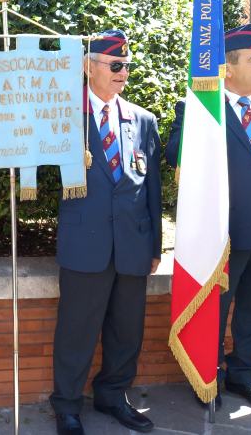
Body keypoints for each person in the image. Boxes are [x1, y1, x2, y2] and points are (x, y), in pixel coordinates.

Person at [166, 23, 251, 413]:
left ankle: (244, 376)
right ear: (229, 67)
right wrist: (199, 124)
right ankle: (208, 380)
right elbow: (174, 156)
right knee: (214, 313)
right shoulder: (203, 109)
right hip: (222, 236)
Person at [50, 30, 161, 435]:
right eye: (115, 65)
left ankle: (114, 395)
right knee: (76, 331)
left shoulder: (142, 120)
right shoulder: (63, 116)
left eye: (126, 66)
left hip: (132, 245)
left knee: (126, 331)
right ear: (88, 67)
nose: (123, 73)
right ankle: (66, 405)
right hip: (85, 244)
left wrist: (153, 245)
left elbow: (152, 189)